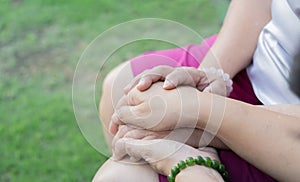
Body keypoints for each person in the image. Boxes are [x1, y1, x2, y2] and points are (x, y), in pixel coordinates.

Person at [94, 0, 300, 181]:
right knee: (120, 87)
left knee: (120, 175)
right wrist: (210, 75)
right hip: (264, 58)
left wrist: (200, 116)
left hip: (287, 141)